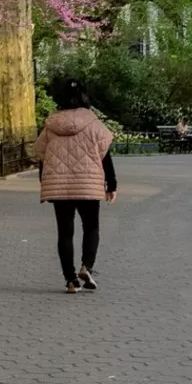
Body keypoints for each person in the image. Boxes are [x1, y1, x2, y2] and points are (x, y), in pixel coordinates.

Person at [34, 83, 117, 293]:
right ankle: (86, 267)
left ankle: (70, 280)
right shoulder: (94, 123)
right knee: (91, 227)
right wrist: (112, 184)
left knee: (65, 233)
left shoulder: (51, 125)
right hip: (88, 185)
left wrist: (44, 182)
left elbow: (42, 155)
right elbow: (105, 155)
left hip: (58, 186)